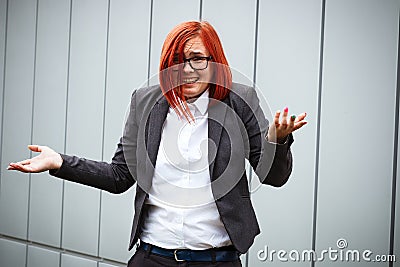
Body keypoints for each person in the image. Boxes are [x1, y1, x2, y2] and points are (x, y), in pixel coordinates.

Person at [8, 21, 307, 267]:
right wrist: (58, 161)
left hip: (218, 260)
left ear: (214, 61)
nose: (187, 69)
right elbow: (118, 176)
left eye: (198, 58)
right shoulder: (145, 102)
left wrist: (277, 141)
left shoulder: (239, 101)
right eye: (177, 61)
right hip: (153, 257)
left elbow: (273, 177)